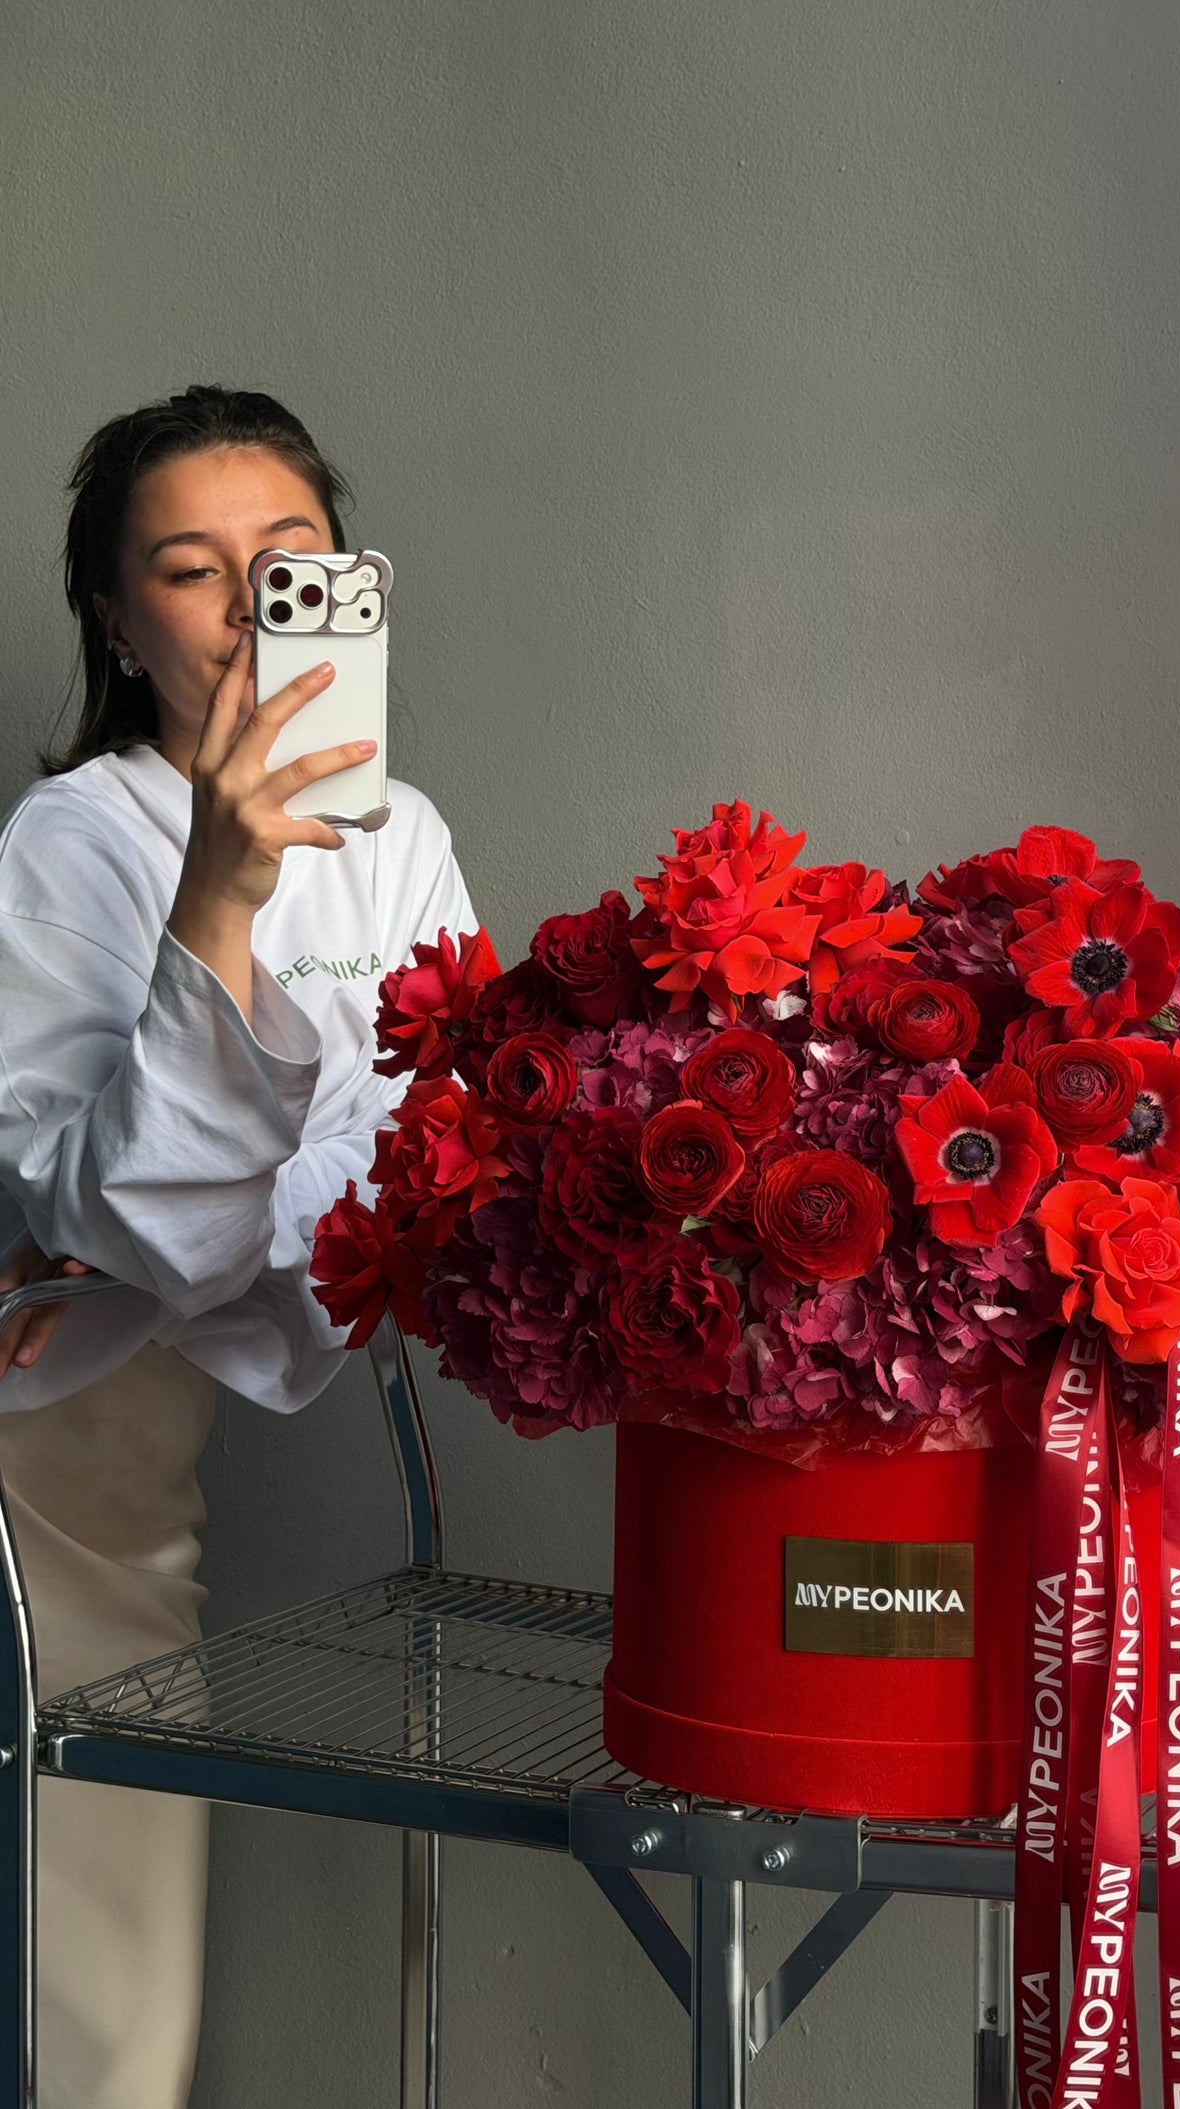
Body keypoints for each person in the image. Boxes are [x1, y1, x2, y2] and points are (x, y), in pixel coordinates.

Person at [0, 384, 478, 2108]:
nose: (248, 602)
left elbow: (438, 1145)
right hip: (64, 1435)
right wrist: (221, 887)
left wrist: (236, 1217)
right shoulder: (76, 842)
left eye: (289, 558)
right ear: (123, 625)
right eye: (190, 572)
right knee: (100, 1897)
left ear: (348, 578)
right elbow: (112, 1216)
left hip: (297, 1376)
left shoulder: (403, 837)